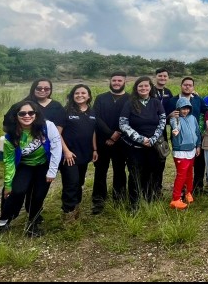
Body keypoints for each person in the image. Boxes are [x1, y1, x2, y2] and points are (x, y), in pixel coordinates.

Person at [0, 100, 62, 245]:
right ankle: (2, 223)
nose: (27, 116)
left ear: (36, 114)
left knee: (38, 195)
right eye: (22, 113)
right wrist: (8, 184)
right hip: (24, 166)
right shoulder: (11, 135)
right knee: (17, 191)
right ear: (16, 116)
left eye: (31, 112)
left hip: (43, 165)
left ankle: (32, 224)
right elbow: (9, 161)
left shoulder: (47, 126)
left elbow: (56, 147)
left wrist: (52, 171)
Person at [119, 76, 167, 210]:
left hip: (153, 145)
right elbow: (123, 124)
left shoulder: (156, 102)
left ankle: (148, 198)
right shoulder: (130, 103)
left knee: (151, 172)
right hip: (135, 147)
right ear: (136, 88)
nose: (143, 88)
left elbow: (162, 121)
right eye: (140, 86)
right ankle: (134, 203)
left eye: (146, 85)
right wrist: (140, 139)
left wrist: (153, 139)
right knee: (135, 174)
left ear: (150, 87)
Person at [20, 78, 65, 218]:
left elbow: (58, 130)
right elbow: (9, 125)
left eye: (47, 88)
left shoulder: (56, 106)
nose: (43, 90)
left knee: (40, 188)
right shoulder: (24, 104)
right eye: (39, 88)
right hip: (26, 155)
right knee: (24, 186)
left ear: (51, 90)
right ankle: (14, 213)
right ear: (33, 88)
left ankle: (35, 215)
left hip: (47, 153)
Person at [58, 84, 98, 222]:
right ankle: (68, 214)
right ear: (72, 96)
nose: (80, 95)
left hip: (84, 153)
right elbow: (57, 134)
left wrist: (94, 149)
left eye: (83, 93)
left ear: (89, 96)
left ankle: (76, 207)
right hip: (69, 155)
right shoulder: (65, 111)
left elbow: (93, 132)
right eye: (76, 93)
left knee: (79, 182)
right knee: (71, 182)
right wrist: (66, 151)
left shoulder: (92, 112)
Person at [92, 71, 130, 213]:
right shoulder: (101, 98)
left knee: (119, 170)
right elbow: (96, 118)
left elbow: (130, 118)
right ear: (110, 81)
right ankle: (98, 200)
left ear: (125, 82)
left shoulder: (130, 99)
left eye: (119, 80)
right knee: (100, 170)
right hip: (102, 140)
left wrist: (117, 135)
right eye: (114, 80)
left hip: (121, 141)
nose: (116, 83)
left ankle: (119, 198)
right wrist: (109, 134)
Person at [165, 77, 208, 196]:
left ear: (193, 87)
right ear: (181, 85)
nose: (187, 87)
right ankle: (181, 192)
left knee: (198, 165)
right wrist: (170, 116)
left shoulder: (197, 100)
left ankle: (197, 188)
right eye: (185, 84)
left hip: (195, 140)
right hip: (179, 141)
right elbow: (165, 118)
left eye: (190, 85)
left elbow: (207, 111)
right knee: (183, 168)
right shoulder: (173, 101)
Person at [169, 97, 201, 209]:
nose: (185, 111)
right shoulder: (175, 118)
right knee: (181, 175)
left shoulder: (193, 118)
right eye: (183, 109)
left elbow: (197, 132)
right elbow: (175, 125)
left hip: (192, 150)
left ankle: (188, 192)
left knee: (189, 173)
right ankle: (176, 198)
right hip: (180, 151)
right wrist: (175, 130)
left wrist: (198, 145)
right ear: (178, 109)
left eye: (187, 108)